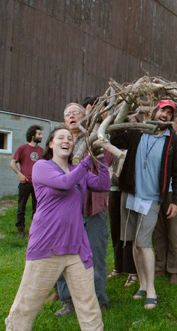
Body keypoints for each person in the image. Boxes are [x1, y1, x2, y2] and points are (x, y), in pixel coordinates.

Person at [1, 126, 112, 331]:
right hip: (46, 245)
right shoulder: (42, 167)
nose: (67, 140)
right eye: (60, 137)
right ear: (50, 144)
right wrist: (84, 164)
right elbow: (64, 184)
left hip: (76, 246)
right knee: (29, 296)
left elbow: (103, 184)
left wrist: (99, 155)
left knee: (87, 299)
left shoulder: (77, 169)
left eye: (70, 138)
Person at [110, 99, 177, 309]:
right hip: (131, 194)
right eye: (162, 110)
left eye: (169, 113)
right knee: (134, 242)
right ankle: (142, 285)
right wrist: (127, 118)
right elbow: (114, 139)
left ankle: (151, 289)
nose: (165, 115)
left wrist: (176, 200)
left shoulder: (173, 141)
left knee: (144, 243)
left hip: (152, 198)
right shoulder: (138, 133)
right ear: (154, 111)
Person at [55, 102, 114, 317]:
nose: (71, 116)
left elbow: (106, 161)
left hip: (93, 207)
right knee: (63, 254)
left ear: (85, 116)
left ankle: (99, 298)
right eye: (67, 113)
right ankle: (68, 300)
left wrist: (95, 143)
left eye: (76, 113)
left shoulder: (95, 136)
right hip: (65, 211)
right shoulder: (60, 141)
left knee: (95, 255)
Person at [152, 115, 177, 284]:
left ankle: (175, 270)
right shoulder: (156, 138)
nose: (176, 123)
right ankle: (160, 266)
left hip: (173, 191)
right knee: (158, 232)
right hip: (156, 191)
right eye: (172, 120)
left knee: (175, 232)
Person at [107, 153, 139, 287]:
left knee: (128, 231)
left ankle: (132, 270)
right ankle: (118, 266)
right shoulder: (109, 144)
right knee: (115, 230)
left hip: (127, 190)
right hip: (112, 190)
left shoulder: (132, 143)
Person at [10, 125, 43, 238]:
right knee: (21, 207)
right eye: (39, 134)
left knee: (37, 208)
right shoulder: (22, 148)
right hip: (25, 183)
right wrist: (20, 175)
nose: (41, 136)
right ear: (32, 135)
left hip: (38, 185)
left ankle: (35, 229)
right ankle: (20, 229)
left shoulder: (41, 151)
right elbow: (12, 163)